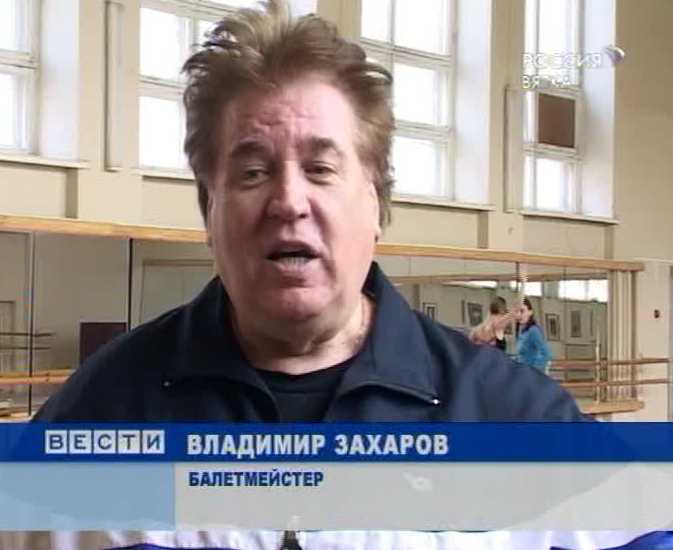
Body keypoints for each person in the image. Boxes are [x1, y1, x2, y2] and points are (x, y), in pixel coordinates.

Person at [34, 0, 581, 423]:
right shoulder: (100, 408)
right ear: (208, 208)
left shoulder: (519, 420)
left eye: (320, 169)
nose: (289, 202)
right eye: (253, 172)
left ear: (375, 203)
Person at [516, 297, 553, 373]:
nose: (519, 314)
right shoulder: (523, 332)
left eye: (522, 311)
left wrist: (533, 372)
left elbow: (546, 354)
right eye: (517, 311)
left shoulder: (533, 330)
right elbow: (522, 357)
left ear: (530, 312)